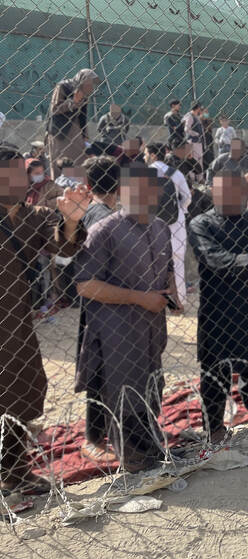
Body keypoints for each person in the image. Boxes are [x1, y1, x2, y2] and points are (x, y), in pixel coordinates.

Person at [75, 164, 179, 473]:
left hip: (152, 328)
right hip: (117, 331)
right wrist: (139, 297)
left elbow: (167, 269)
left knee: (151, 388)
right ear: (122, 192)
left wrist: (171, 295)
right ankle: (135, 463)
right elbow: (85, 285)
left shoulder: (160, 228)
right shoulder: (104, 231)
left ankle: (150, 449)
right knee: (124, 393)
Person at [0, 146, 89, 493]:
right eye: (10, 173)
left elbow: (65, 247)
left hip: (16, 323)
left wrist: (72, 220)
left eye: (21, 173)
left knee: (23, 388)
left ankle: (14, 471)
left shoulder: (34, 215)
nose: (20, 180)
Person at [188, 171, 248, 442]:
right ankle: (214, 428)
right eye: (226, 191)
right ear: (214, 193)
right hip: (218, 311)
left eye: (239, 191)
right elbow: (214, 258)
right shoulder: (201, 224)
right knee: (215, 373)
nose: (234, 197)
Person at [75, 155, 120, 460]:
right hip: (102, 303)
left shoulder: (94, 212)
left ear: (89, 184)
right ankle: (94, 439)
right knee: (100, 372)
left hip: (101, 302)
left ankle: (105, 432)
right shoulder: (103, 218)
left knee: (105, 370)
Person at [145, 142, 191, 306]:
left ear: (152, 155)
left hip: (150, 222)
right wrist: (178, 209)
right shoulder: (176, 173)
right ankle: (179, 300)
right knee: (177, 260)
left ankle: (151, 299)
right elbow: (187, 197)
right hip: (175, 220)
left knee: (149, 260)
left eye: (145, 153)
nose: (144, 156)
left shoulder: (143, 173)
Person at [46, 69, 101, 165]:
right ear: (82, 80)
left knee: (79, 162)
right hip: (59, 131)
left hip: (75, 131)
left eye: (92, 84)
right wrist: (73, 102)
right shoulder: (63, 86)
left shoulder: (84, 94)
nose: (91, 86)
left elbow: (83, 116)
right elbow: (54, 109)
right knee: (59, 162)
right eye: (89, 83)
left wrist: (85, 136)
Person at [182, 102, 206, 172]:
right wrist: (196, 134)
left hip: (198, 142)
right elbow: (186, 129)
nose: (201, 110)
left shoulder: (196, 116)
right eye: (200, 108)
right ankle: (194, 177)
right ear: (197, 108)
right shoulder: (190, 116)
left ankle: (199, 177)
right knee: (193, 161)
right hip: (192, 142)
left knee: (199, 160)